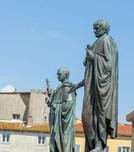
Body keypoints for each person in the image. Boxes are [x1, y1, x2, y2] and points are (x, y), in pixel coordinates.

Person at [69, 20, 119, 152]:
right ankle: (92, 144)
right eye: (94, 28)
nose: (94, 30)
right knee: (87, 116)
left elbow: (108, 65)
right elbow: (90, 73)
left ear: (104, 29)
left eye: (96, 28)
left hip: (102, 89)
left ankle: (98, 144)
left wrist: (93, 57)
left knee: (98, 115)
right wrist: (79, 84)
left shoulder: (106, 41)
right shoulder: (97, 42)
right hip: (91, 86)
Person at [47, 67, 76, 152]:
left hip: (63, 125)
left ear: (66, 75)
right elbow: (56, 100)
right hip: (57, 121)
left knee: (62, 143)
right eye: (57, 74)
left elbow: (69, 105)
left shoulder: (67, 88)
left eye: (59, 74)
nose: (57, 76)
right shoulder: (60, 87)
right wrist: (52, 95)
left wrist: (57, 106)